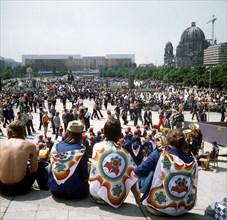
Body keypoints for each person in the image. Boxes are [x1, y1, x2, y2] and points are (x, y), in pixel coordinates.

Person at [134, 129, 198, 216]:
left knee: (152, 170)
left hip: (158, 208)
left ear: (167, 141)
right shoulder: (192, 157)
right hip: (183, 208)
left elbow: (136, 172)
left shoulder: (159, 153)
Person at [89, 118, 141, 208]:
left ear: (104, 132)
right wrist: (138, 201)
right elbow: (133, 179)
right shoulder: (125, 153)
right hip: (114, 198)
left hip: (94, 194)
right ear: (119, 135)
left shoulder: (96, 146)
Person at [0, 121, 48, 196]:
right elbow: (34, 169)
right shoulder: (30, 145)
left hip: (2, 188)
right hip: (21, 188)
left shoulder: (1, 145)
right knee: (40, 164)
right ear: (23, 131)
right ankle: (45, 189)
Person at [48, 120, 89, 199]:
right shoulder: (81, 151)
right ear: (80, 135)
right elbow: (84, 176)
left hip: (55, 190)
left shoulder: (56, 146)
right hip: (76, 193)